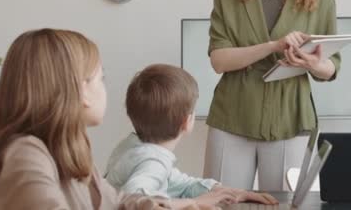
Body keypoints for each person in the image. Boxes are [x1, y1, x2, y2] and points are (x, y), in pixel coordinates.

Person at [203, 0, 341, 191]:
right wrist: (273, 46)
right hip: (232, 116)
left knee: (287, 204)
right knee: (222, 202)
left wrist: (315, 63)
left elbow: (331, 69)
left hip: (290, 119)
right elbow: (218, 59)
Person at [0, 29, 170, 210]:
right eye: (101, 78)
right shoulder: (26, 154)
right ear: (81, 90)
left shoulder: (66, 152)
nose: (104, 88)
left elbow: (117, 201)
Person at [105, 64, 278, 208]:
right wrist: (194, 203)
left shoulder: (137, 149)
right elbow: (135, 202)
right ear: (186, 122)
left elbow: (180, 183)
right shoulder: (152, 162)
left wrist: (225, 191)